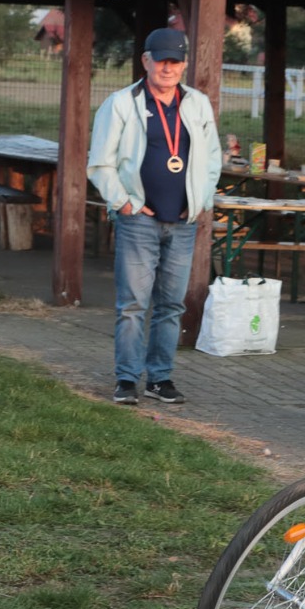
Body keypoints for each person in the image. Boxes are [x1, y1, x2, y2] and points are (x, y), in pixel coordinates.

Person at [87, 27, 221, 407]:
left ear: (184, 64)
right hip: (138, 221)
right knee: (132, 304)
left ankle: (160, 378)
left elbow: (212, 159)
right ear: (145, 60)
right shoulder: (121, 103)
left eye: (175, 61)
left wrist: (201, 202)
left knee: (172, 304)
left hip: (182, 221)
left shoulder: (197, 103)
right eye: (160, 60)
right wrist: (125, 202)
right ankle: (127, 379)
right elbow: (100, 163)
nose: (167, 67)